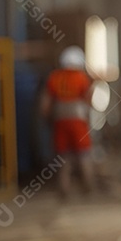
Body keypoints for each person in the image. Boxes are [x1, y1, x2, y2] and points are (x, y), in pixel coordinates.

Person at [41, 46, 94, 197]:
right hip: (78, 122)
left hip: (60, 121)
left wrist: (47, 118)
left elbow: (45, 104)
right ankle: (88, 187)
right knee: (83, 154)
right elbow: (88, 100)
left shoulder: (54, 77)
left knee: (63, 156)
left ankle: (63, 188)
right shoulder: (81, 77)